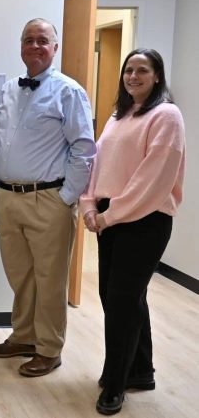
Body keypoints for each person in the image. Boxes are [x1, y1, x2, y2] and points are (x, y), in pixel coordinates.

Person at [0, 18, 96, 377]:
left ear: (55, 48)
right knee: (21, 275)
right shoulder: (7, 90)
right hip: (7, 198)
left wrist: (66, 197)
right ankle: (23, 336)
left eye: (42, 40)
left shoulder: (69, 91)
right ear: (21, 46)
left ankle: (49, 348)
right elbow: (0, 141)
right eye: (29, 40)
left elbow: (84, 148)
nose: (35, 46)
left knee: (50, 278)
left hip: (48, 200)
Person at [80, 49, 185, 415]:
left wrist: (110, 216)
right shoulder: (119, 115)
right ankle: (140, 370)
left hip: (146, 220)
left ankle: (115, 384)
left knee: (122, 302)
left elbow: (152, 179)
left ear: (157, 76)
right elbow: (98, 163)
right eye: (129, 70)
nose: (133, 76)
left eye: (142, 70)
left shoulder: (166, 115)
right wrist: (90, 205)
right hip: (111, 216)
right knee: (120, 298)